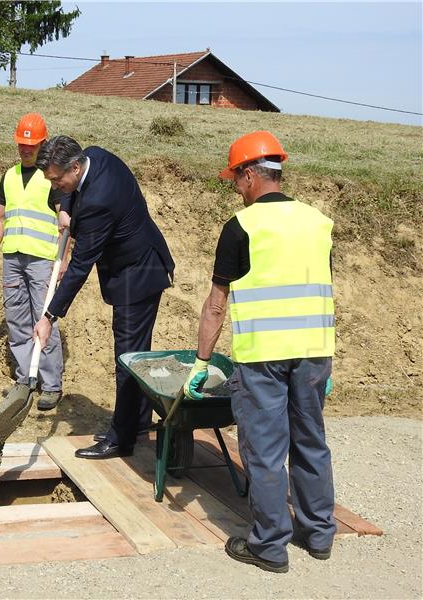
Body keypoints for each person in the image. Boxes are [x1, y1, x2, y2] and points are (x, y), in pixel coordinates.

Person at [182, 130, 336, 573]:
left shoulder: (241, 226)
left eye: (235, 177)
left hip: (263, 356)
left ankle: (269, 546)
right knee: (311, 441)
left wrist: (202, 360)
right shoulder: (317, 221)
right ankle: (319, 533)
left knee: (265, 450)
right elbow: (322, 288)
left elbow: (216, 303)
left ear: (250, 175)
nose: (234, 186)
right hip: (314, 353)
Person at [33, 136, 175, 459]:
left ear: (75, 166)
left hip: (137, 276)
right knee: (135, 355)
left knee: (127, 359)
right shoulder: (93, 156)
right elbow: (67, 191)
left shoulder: (99, 200)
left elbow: (81, 264)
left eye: (57, 180)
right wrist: (65, 209)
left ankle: (120, 439)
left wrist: (49, 316)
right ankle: (137, 423)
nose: (54, 186)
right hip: (135, 268)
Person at [0, 113, 66, 410]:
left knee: (44, 320)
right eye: (22, 144)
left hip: (43, 260)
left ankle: (51, 385)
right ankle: (24, 380)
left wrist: (65, 259)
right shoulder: (9, 176)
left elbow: (65, 223)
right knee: (17, 321)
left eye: (31, 145)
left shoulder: (52, 178)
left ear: (43, 144)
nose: (26, 150)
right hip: (13, 258)